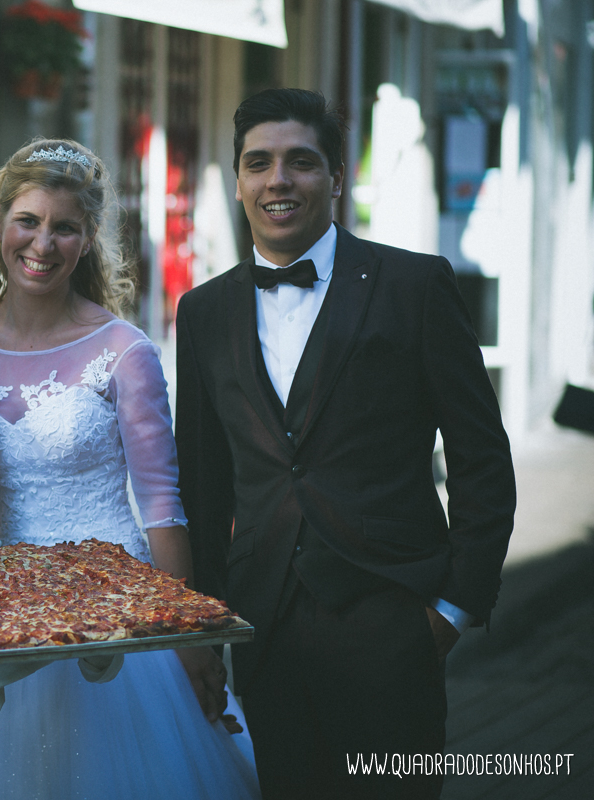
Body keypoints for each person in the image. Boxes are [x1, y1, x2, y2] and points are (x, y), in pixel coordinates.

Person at [0, 139, 261, 800]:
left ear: (87, 242)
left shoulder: (123, 352)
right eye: (29, 221)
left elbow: (163, 510)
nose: (42, 243)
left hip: (113, 630)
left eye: (65, 228)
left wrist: (190, 639)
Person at [174, 88, 516, 798]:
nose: (278, 180)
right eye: (258, 162)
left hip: (393, 618)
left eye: (301, 162)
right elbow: (202, 485)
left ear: (335, 178)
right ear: (237, 179)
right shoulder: (203, 311)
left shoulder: (415, 285)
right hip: (262, 625)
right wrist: (204, 625)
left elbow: (482, 458)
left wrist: (453, 608)